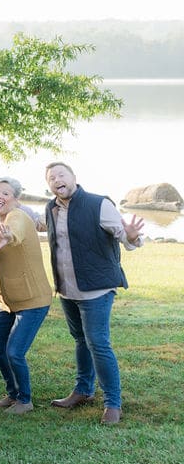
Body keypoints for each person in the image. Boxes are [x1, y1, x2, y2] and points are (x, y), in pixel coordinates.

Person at [44, 162, 144, 425]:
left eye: (61, 175)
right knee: (80, 339)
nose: (57, 180)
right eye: (51, 178)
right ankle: (83, 390)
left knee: (98, 343)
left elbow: (125, 236)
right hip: (67, 289)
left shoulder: (99, 204)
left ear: (74, 178)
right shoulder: (50, 208)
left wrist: (132, 236)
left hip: (96, 289)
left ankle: (113, 403)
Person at [0, 176, 52, 415]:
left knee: (15, 351)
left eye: (5, 193)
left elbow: (16, 234)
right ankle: (13, 393)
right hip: (10, 301)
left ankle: (25, 400)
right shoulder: (6, 218)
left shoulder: (17, 217)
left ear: (16, 198)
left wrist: (8, 237)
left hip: (33, 299)